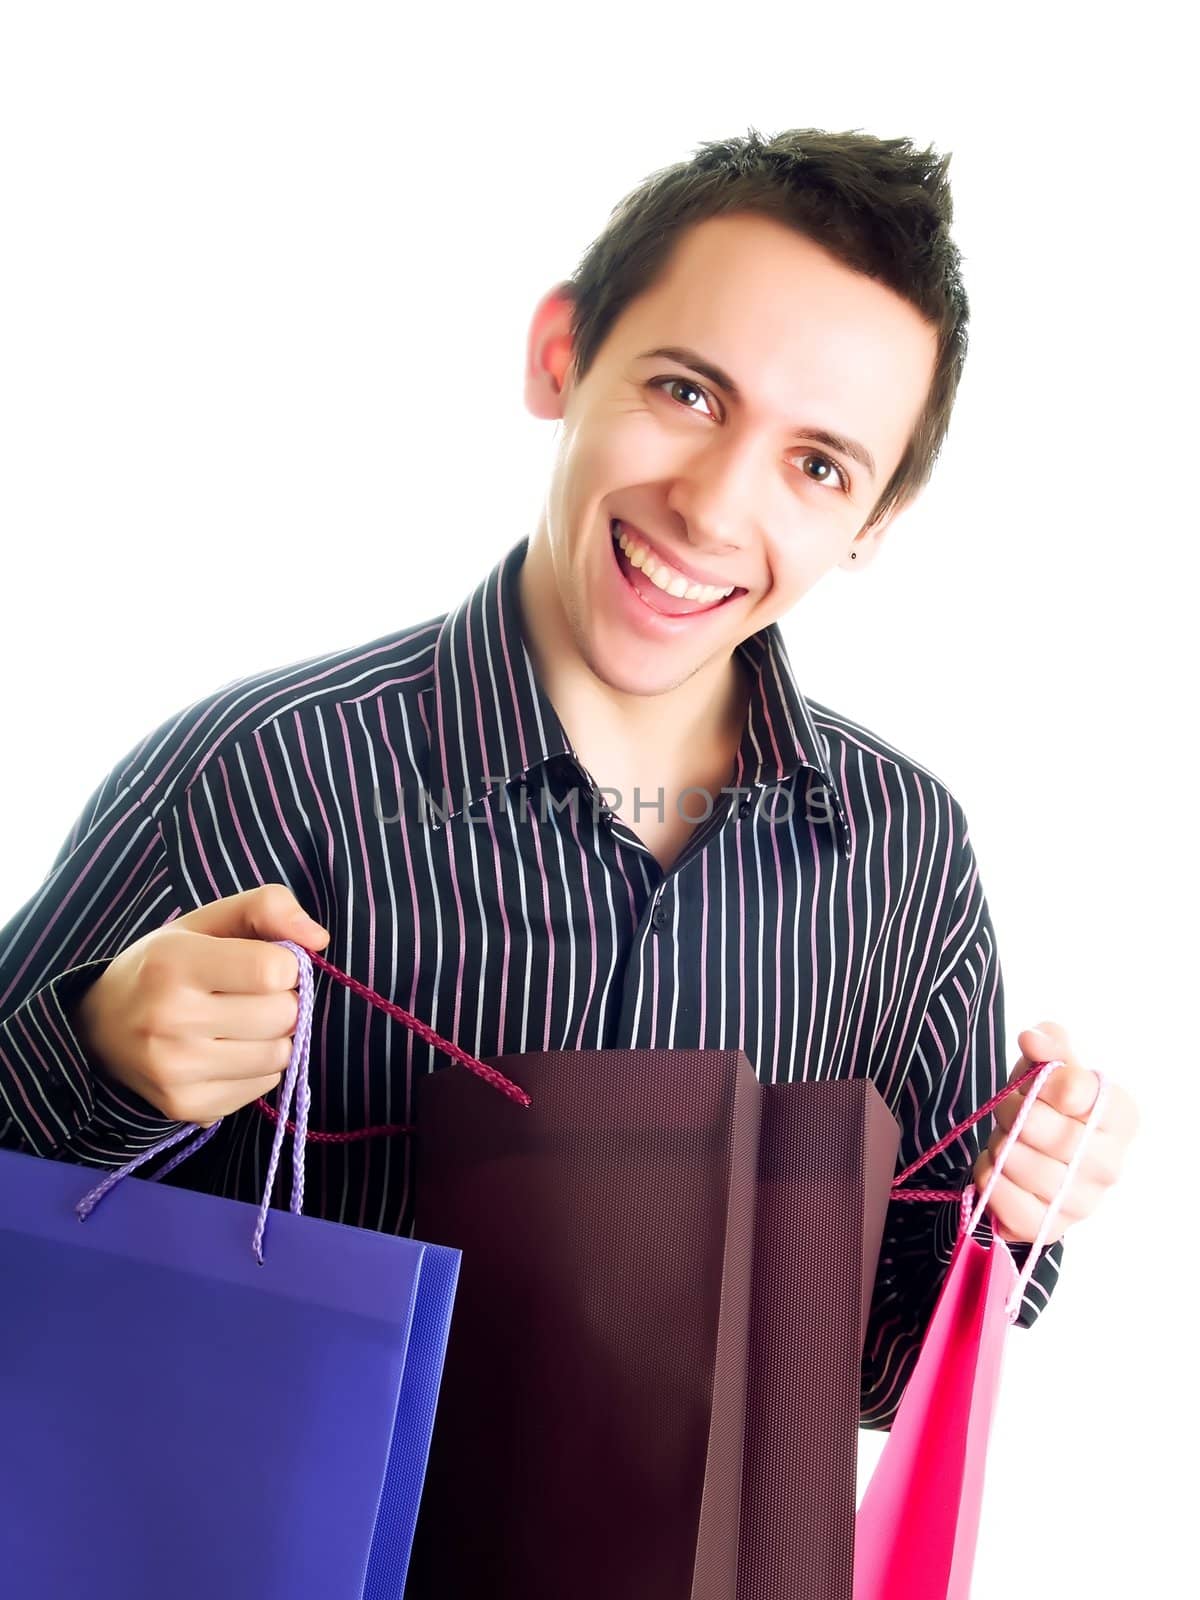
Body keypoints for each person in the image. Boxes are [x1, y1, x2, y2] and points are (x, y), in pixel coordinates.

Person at [0, 126, 1137, 1432]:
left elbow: (883, 1369)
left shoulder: (904, 855)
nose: (714, 508)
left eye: (817, 465)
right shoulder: (256, 773)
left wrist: (1012, 1210)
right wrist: (96, 1049)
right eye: (689, 393)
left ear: (871, 525)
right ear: (562, 355)